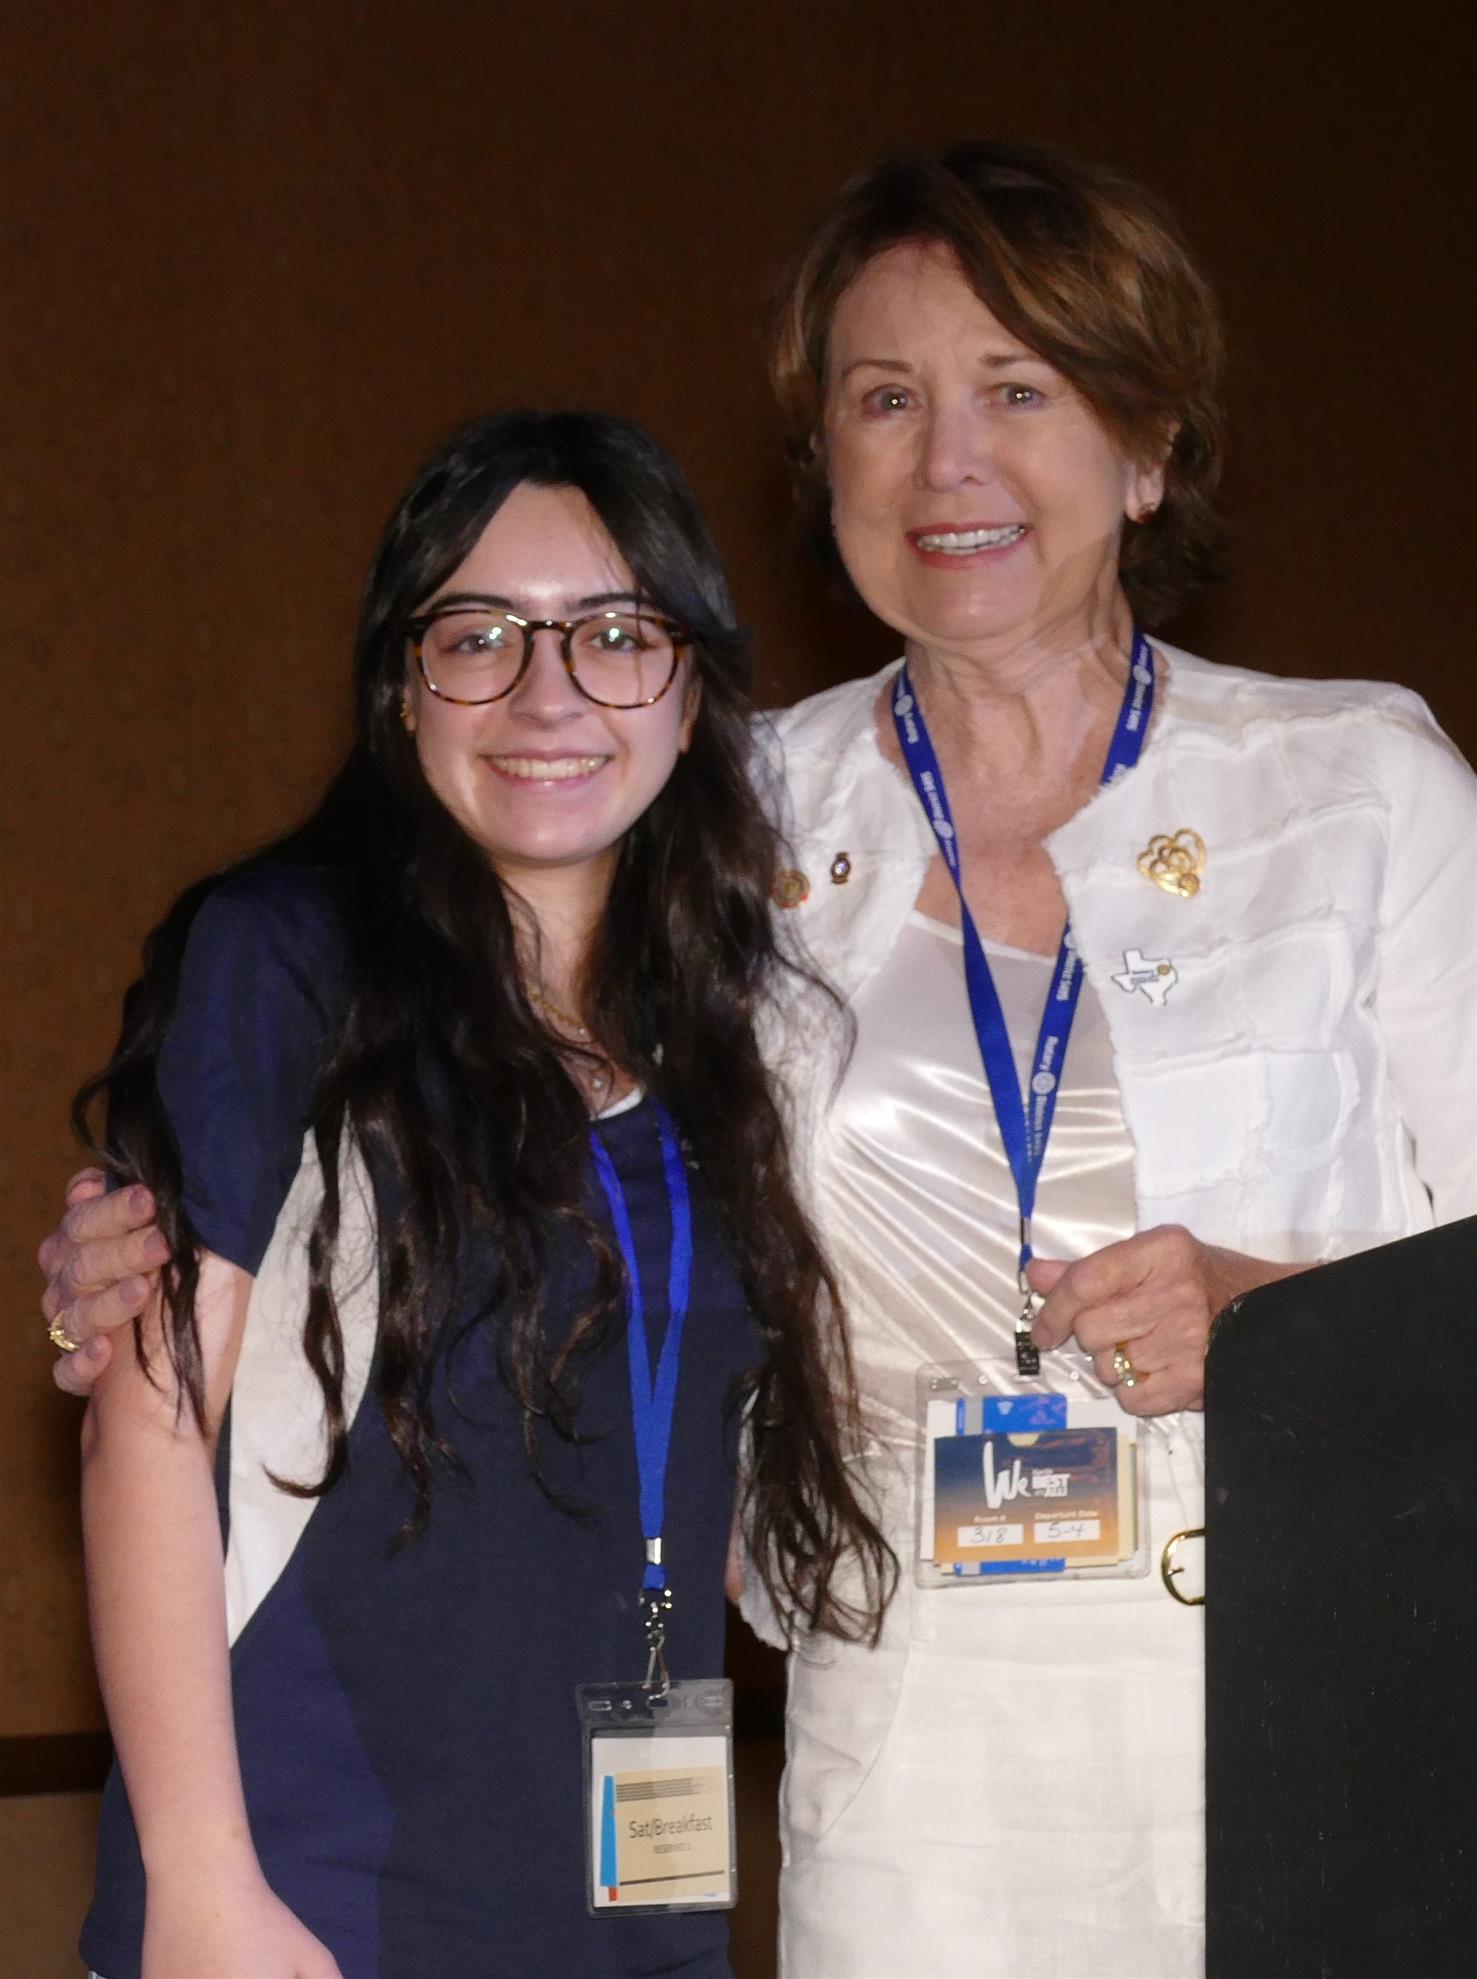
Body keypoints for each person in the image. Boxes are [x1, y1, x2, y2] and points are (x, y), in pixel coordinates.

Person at [44, 143, 1477, 1979]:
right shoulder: (721, 818)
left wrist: (1271, 1322)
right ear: (825, 470)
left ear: (1148, 448)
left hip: (1305, 1693)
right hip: (905, 1755)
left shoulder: (1360, 788)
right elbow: (432, 1095)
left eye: (1018, 389)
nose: (946, 460)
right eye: (885, 399)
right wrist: (145, 1252)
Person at [53, 408, 891, 1979]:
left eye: (614, 636)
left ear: (691, 688)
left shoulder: (741, 1040)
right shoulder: (290, 961)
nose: (544, 695)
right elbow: (144, 1424)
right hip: (317, 1901)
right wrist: (202, 1884)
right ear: (400, 683)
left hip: (638, 1909)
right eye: (478, 636)